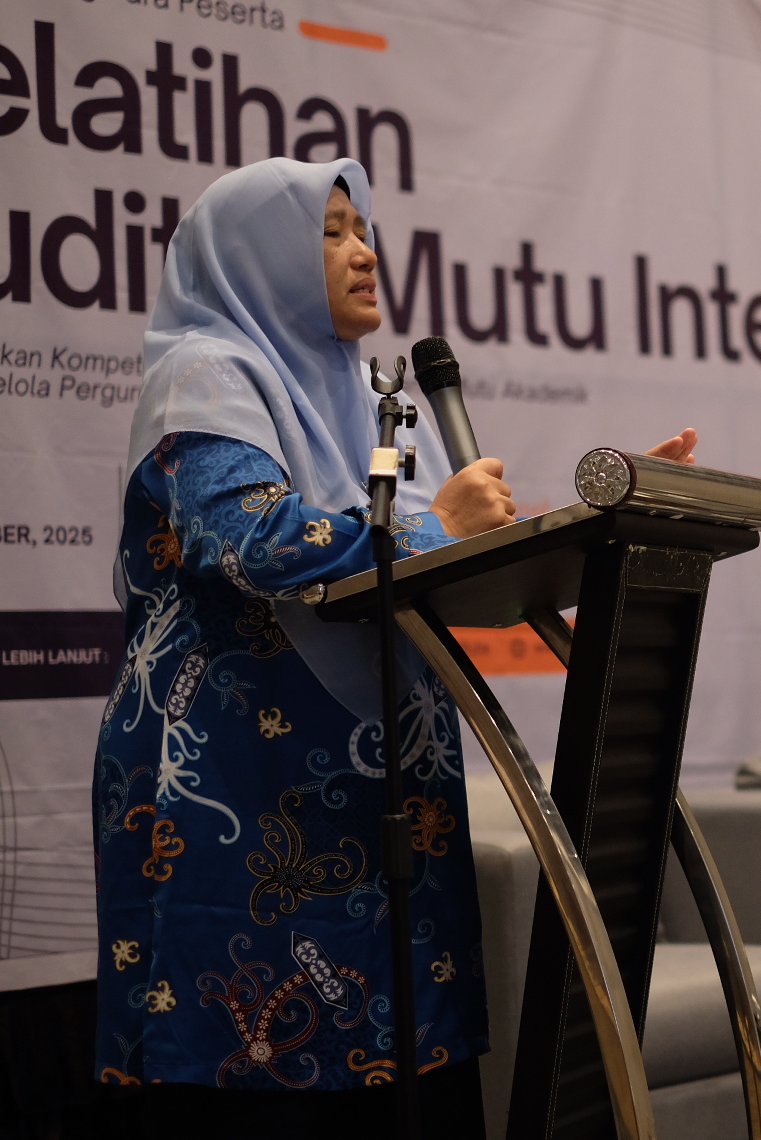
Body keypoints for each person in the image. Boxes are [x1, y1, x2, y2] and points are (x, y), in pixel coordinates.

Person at [93, 158, 696, 1136]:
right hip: (238, 790)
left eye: (363, 228)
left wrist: (599, 525)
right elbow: (247, 537)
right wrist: (433, 526)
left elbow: (428, 561)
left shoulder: (366, 395)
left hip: (378, 795)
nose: (364, 250)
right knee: (253, 1064)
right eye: (329, 231)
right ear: (253, 255)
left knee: (399, 1068)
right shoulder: (205, 371)